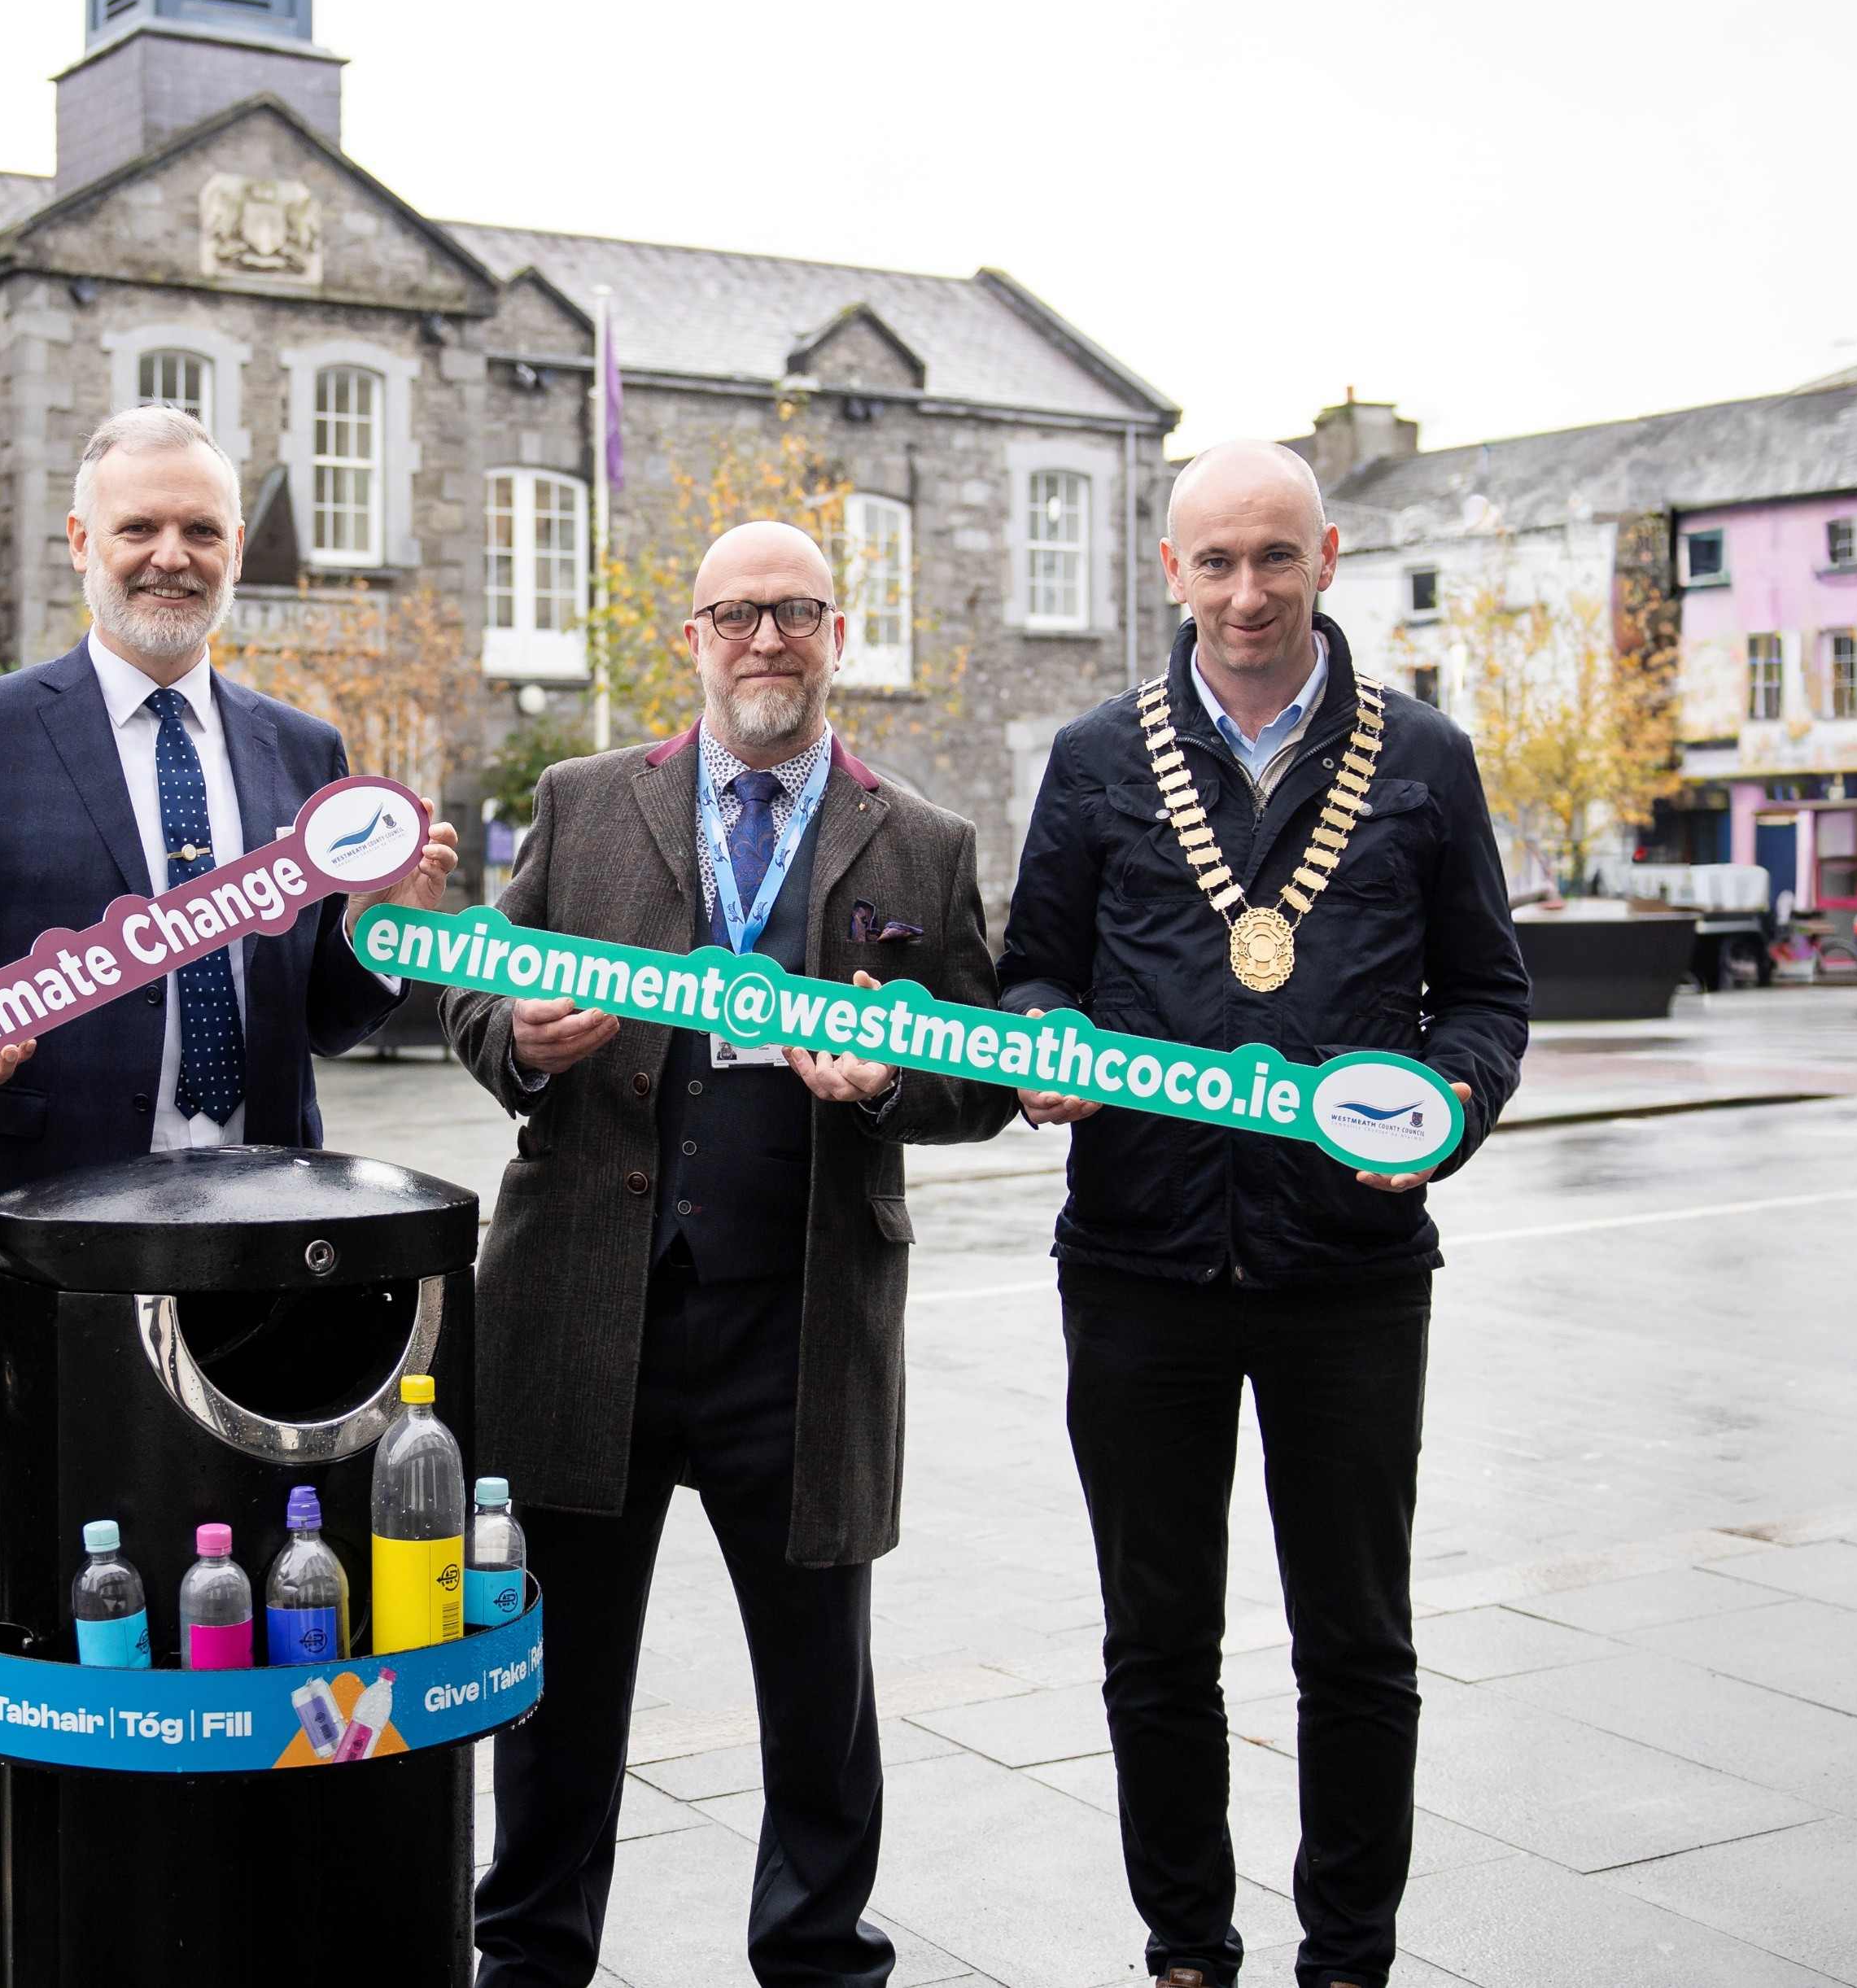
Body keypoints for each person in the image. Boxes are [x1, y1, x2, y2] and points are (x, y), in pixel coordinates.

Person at [0, 403, 457, 1986]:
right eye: (141, 530)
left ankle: (238, 1920)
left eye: (202, 531)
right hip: (57, 1280)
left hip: (274, 1272)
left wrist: (375, 927)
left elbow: (318, 1017)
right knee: (51, 1613)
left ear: (235, 554)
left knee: (258, 1604)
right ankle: (29, 1939)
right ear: (82, 545)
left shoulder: (298, 753)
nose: (174, 557)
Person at [447, 521, 1016, 1988]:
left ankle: (819, 1952)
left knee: (820, 1682)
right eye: (736, 615)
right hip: (586, 1309)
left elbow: (987, 1073)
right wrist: (513, 1037)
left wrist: (892, 1081)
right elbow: (472, 992)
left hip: (803, 1323)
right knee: (552, 1678)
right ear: (691, 637)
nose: (767, 640)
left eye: (796, 613)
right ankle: (531, 1953)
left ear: (836, 633)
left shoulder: (924, 842)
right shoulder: (581, 807)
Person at [995, 439, 1529, 1988]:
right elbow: (1036, 964)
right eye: (1215, 562)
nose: (1245, 593)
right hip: (1139, 1263)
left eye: (1274, 559)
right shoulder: (1102, 754)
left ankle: (1349, 1955)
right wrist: (1046, 1050)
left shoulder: (1422, 755)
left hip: (1350, 1271)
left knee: (1357, 1645)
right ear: (1171, 571)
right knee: (1157, 1645)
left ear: (1329, 557)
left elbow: (1486, 992)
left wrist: (1448, 1110)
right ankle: (1186, 1948)